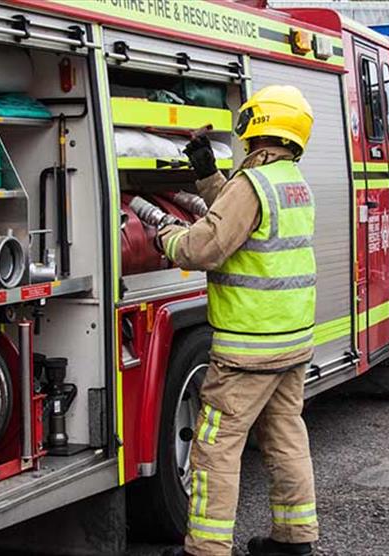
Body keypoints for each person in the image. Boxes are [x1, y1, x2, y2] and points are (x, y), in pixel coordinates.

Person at [157, 85, 319, 556]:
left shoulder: (254, 185)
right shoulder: (290, 180)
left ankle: (205, 549)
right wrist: (207, 175)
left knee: (215, 447)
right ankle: (294, 539)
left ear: (260, 125)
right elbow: (240, 215)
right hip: (290, 342)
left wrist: (167, 238)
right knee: (286, 435)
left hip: (249, 346)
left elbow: (206, 245)